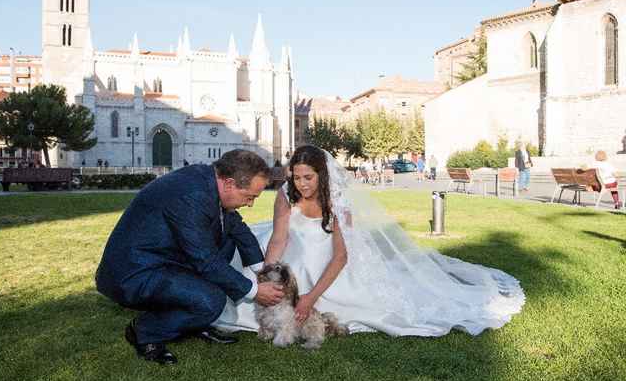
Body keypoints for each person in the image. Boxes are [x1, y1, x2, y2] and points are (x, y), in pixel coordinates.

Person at [216, 145, 524, 337]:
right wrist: (270, 276)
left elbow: (340, 257)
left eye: (308, 177)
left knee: (329, 279)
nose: (301, 184)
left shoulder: (337, 201)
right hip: (291, 255)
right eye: (296, 177)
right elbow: (279, 238)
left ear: (322, 176)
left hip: (328, 263)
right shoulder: (286, 196)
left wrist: (309, 298)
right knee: (251, 278)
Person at [95, 149, 284, 365]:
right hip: (135, 271)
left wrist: (263, 273)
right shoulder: (191, 195)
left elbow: (238, 229)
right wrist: (256, 291)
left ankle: (194, 323)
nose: (250, 204)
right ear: (230, 183)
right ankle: (145, 332)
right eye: (249, 197)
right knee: (211, 301)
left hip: (167, 259)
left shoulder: (209, 182)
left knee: (229, 241)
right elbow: (205, 261)